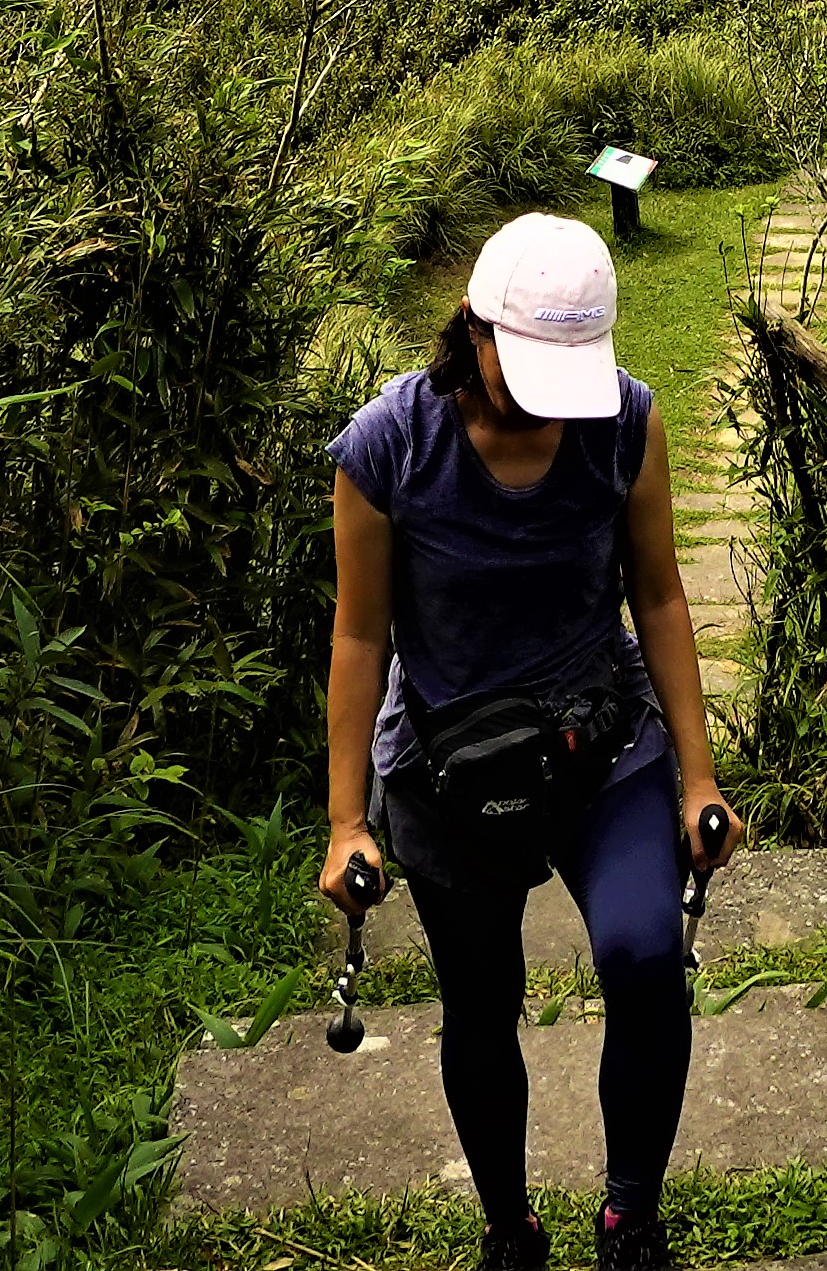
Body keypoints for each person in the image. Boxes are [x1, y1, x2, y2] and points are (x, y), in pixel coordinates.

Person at [324, 210, 742, 1271]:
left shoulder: (624, 423)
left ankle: (631, 1221)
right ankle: (509, 1231)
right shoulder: (388, 448)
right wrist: (345, 822)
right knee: (480, 1005)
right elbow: (360, 634)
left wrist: (698, 776)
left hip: (599, 741)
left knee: (645, 956)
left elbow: (658, 594)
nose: (545, 400)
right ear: (473, 330)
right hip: (447, 765)